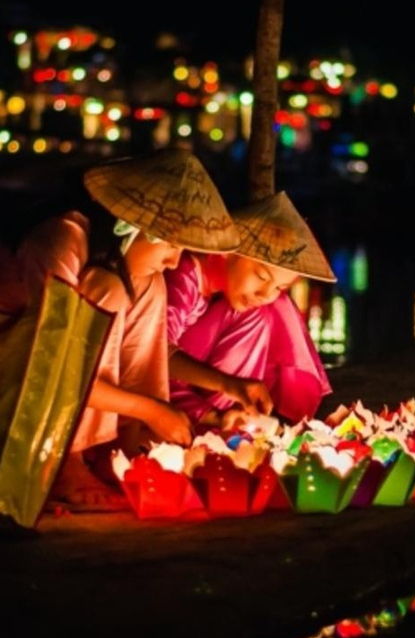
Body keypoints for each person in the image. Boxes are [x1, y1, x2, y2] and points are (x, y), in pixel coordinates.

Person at [0, 149, 239, 506]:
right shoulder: (60, 241)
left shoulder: (122, 264)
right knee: (110, 289)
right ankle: (66, 459)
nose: (175, 261)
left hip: (47, 370)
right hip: (18, 364)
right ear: (131, 226)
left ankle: (123, 446)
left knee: (147, 283)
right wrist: (153, 410)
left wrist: (155, 412)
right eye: (171, 244)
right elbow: (53, 367)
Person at [165, 191, 337, 427]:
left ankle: (232, 417)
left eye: (280, 287)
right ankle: (217, 418)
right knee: (253, 312)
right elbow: (156, 353)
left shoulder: (222, 294)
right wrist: (228, 383)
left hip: (183, 380)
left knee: (267, 310)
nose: (266, 294)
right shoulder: (184, 274)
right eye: (261, 276)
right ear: (228, 251)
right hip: (157, 380)